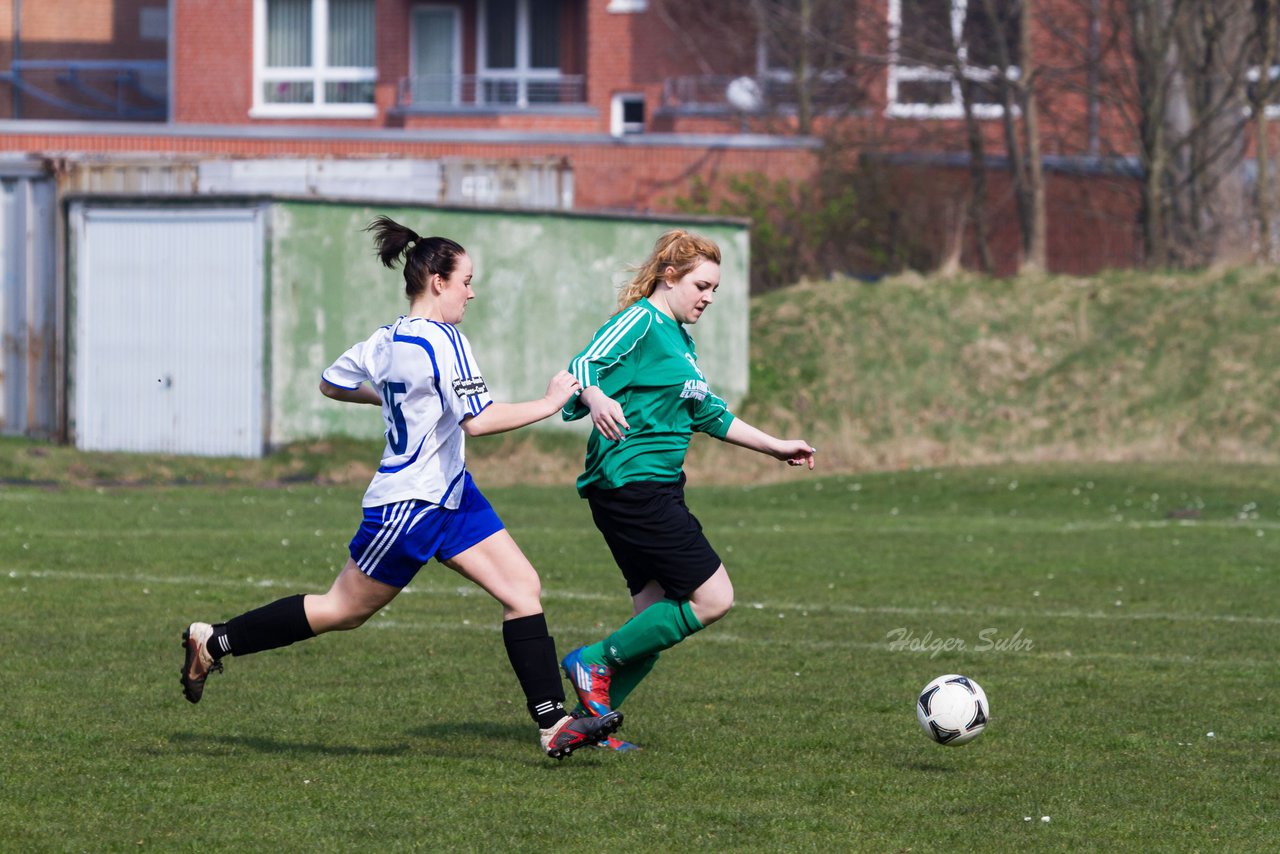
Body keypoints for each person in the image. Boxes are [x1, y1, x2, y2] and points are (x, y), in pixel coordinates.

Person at [179, 215, 621, 759]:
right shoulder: (445, 339)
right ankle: (214, 640)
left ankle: (553, 726)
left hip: (452, 493)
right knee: (342, 609)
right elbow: (477, 421)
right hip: (410, 505)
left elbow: (331, 382)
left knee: (522, 589)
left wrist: (389, 398)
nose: (471, 293)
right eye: (466, 281)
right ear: (437, 280)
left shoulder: (386, 339)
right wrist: (552, 402)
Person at [559, 229, 816, 750]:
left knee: (653, 621)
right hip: (633, 485)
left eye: (715, 289)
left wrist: (776, 446)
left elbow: (708, 413)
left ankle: (586, 727)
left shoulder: (680, 340)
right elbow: (582, 365)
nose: (708, 298)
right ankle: (591, 663)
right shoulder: (640, 321)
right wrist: (593, 395)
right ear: (669, 277)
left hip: (654, 489)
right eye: (701, 285)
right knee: (713, 597)